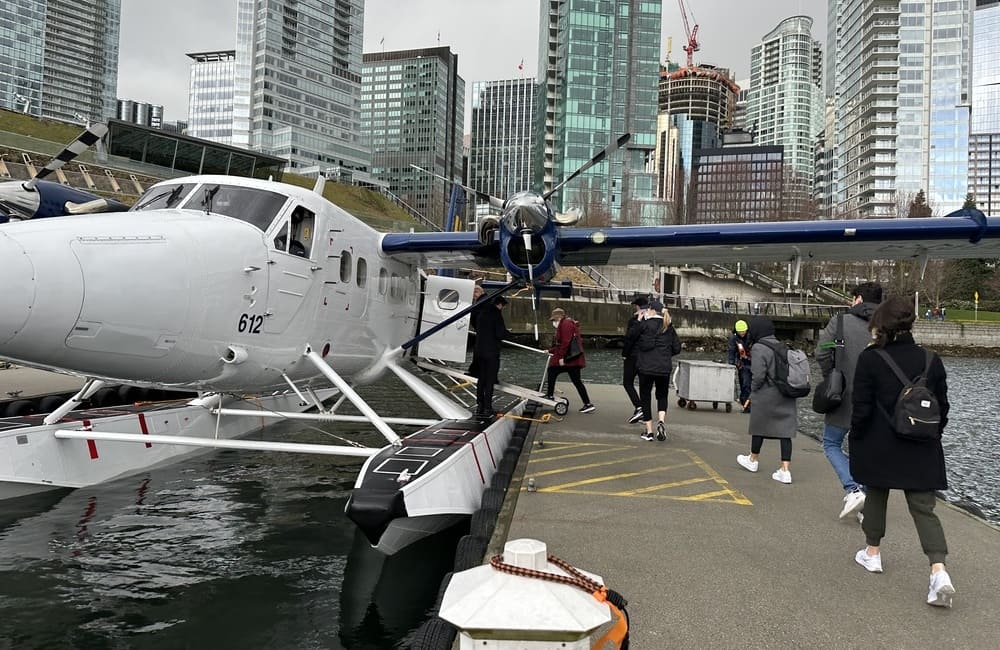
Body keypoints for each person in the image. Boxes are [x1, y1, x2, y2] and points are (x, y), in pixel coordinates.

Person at [849, 296, 955, 607]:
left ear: (880, 324)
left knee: (877, 493)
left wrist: (856, 438)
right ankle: (939, 571)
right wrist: (932, 435)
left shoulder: (871, 359)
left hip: (880, 443)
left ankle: (872, 553)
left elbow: (862, 408)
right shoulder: (931, 360)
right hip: (922, 445)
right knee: (924, 508)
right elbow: (943, 407)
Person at [816, 281, 882, 520]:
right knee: (862, 450)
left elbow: (822, 351)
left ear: (859, 299)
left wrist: (832, 377)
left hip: (844, 396)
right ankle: (864, 502)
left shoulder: (841, 322)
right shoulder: (888, 326)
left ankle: (852, 489)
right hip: (877, 400)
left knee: (831, 443)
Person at [736, 316, 798, 484]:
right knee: (786, 433)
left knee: (759, 427)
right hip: (785, 393)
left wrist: (752, 392)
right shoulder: (782, 345)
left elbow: (758, 375)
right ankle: (785, 470)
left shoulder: (758, 348)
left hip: (766, 395)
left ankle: (753, 460)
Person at [633, 300, 681, 441]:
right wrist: (665, 354)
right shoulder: (668, 326)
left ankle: (649, 431)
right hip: (663, 367)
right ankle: (661, 421)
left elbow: (633, 339)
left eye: (648, 309)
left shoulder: (644, 325)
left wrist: (639, 320)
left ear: (652, 310)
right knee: (662, 396)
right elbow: (677, 348)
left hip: (646, 367)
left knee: (646, 397)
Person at [544, 308, 595, 413]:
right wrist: (550, 350)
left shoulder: (565, 324)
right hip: (574, 359)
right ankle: (587, 403)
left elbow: (565, 342)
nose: (553, 323)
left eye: (554, 320)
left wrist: (561, 357)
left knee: (552, 370)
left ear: (559, 317)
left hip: (569, 359)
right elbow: (563, 343)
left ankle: (550, 395)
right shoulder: (568, 323)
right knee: (577, 381)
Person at [472, 295, 509, 417]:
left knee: (481, 379)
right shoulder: (496, 314)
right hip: (491, 352)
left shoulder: (481, 313)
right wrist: (508, 333)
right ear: (499, 304)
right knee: (490, 380)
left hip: (479, 351)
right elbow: (500, 333)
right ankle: (488, 407)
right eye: (502, 306)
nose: (501, 308)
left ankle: (480, 406)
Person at [621, 296, 649, 424]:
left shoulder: (634, 321)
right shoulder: (652, 320)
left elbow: (629, 338)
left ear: (638, 307)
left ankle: (639, 407)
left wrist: (624, 354)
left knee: (627, 382)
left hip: (633, 356)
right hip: (646, 357)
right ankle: (645, 413)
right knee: (643, 386)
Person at [727, 319, 752, 413]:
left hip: (752, 362)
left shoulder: (751, 337)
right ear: (736, 331)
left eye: (743, 331)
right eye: (740, 331)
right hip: (742, 364)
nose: (742, 333)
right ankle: (745, 403)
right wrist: (732, 364)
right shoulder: (733, 339)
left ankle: (749, 404)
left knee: (752, 385)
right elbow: (731, 352)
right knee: (745, 384)